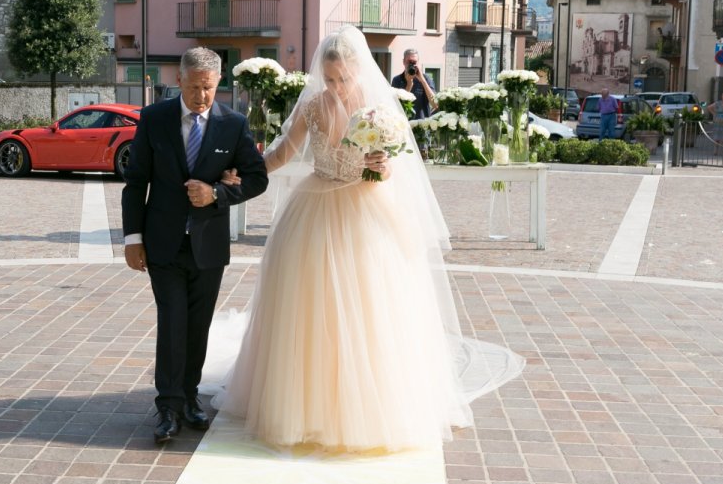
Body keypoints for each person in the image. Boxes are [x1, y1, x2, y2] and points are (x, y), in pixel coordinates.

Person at [212, 26, 524, 452]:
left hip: (365, 210)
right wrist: (246, 171)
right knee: (308, 310)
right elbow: (284, 152)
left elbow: (393, 167)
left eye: (342, 78)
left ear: (357, 70)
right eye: (329, 78)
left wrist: (382, 164)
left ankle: (365, 404)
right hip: (315, 210)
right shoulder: (314, 107)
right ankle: (307, 404)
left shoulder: (381, 109)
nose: (336, 87)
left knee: (369, 308)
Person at [121, 47, 268, 445]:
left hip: (209, 246)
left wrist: (217, 193)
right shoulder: (154, 119)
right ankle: (167, 405)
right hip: (163, 243)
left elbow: (257, 179)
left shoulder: (233, 125)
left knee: (198, 326)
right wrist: (132, 238)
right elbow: (136, 183)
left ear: (218, 83)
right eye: (193, 87)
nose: (201, 96)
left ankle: (189, 398)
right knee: (172, 323)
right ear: (179, 82)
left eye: (207, 88)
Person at [391, 48, 437, 119]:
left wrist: (423, 80)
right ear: (403, 62)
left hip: (422, 125)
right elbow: (396, 106)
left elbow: (435, 104)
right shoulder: (397, 80)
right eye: (409, 62)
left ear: (418, 63)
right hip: (404, 124)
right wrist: (409, 84)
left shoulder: (426, 78)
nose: (411, 65)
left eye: (414, 62)